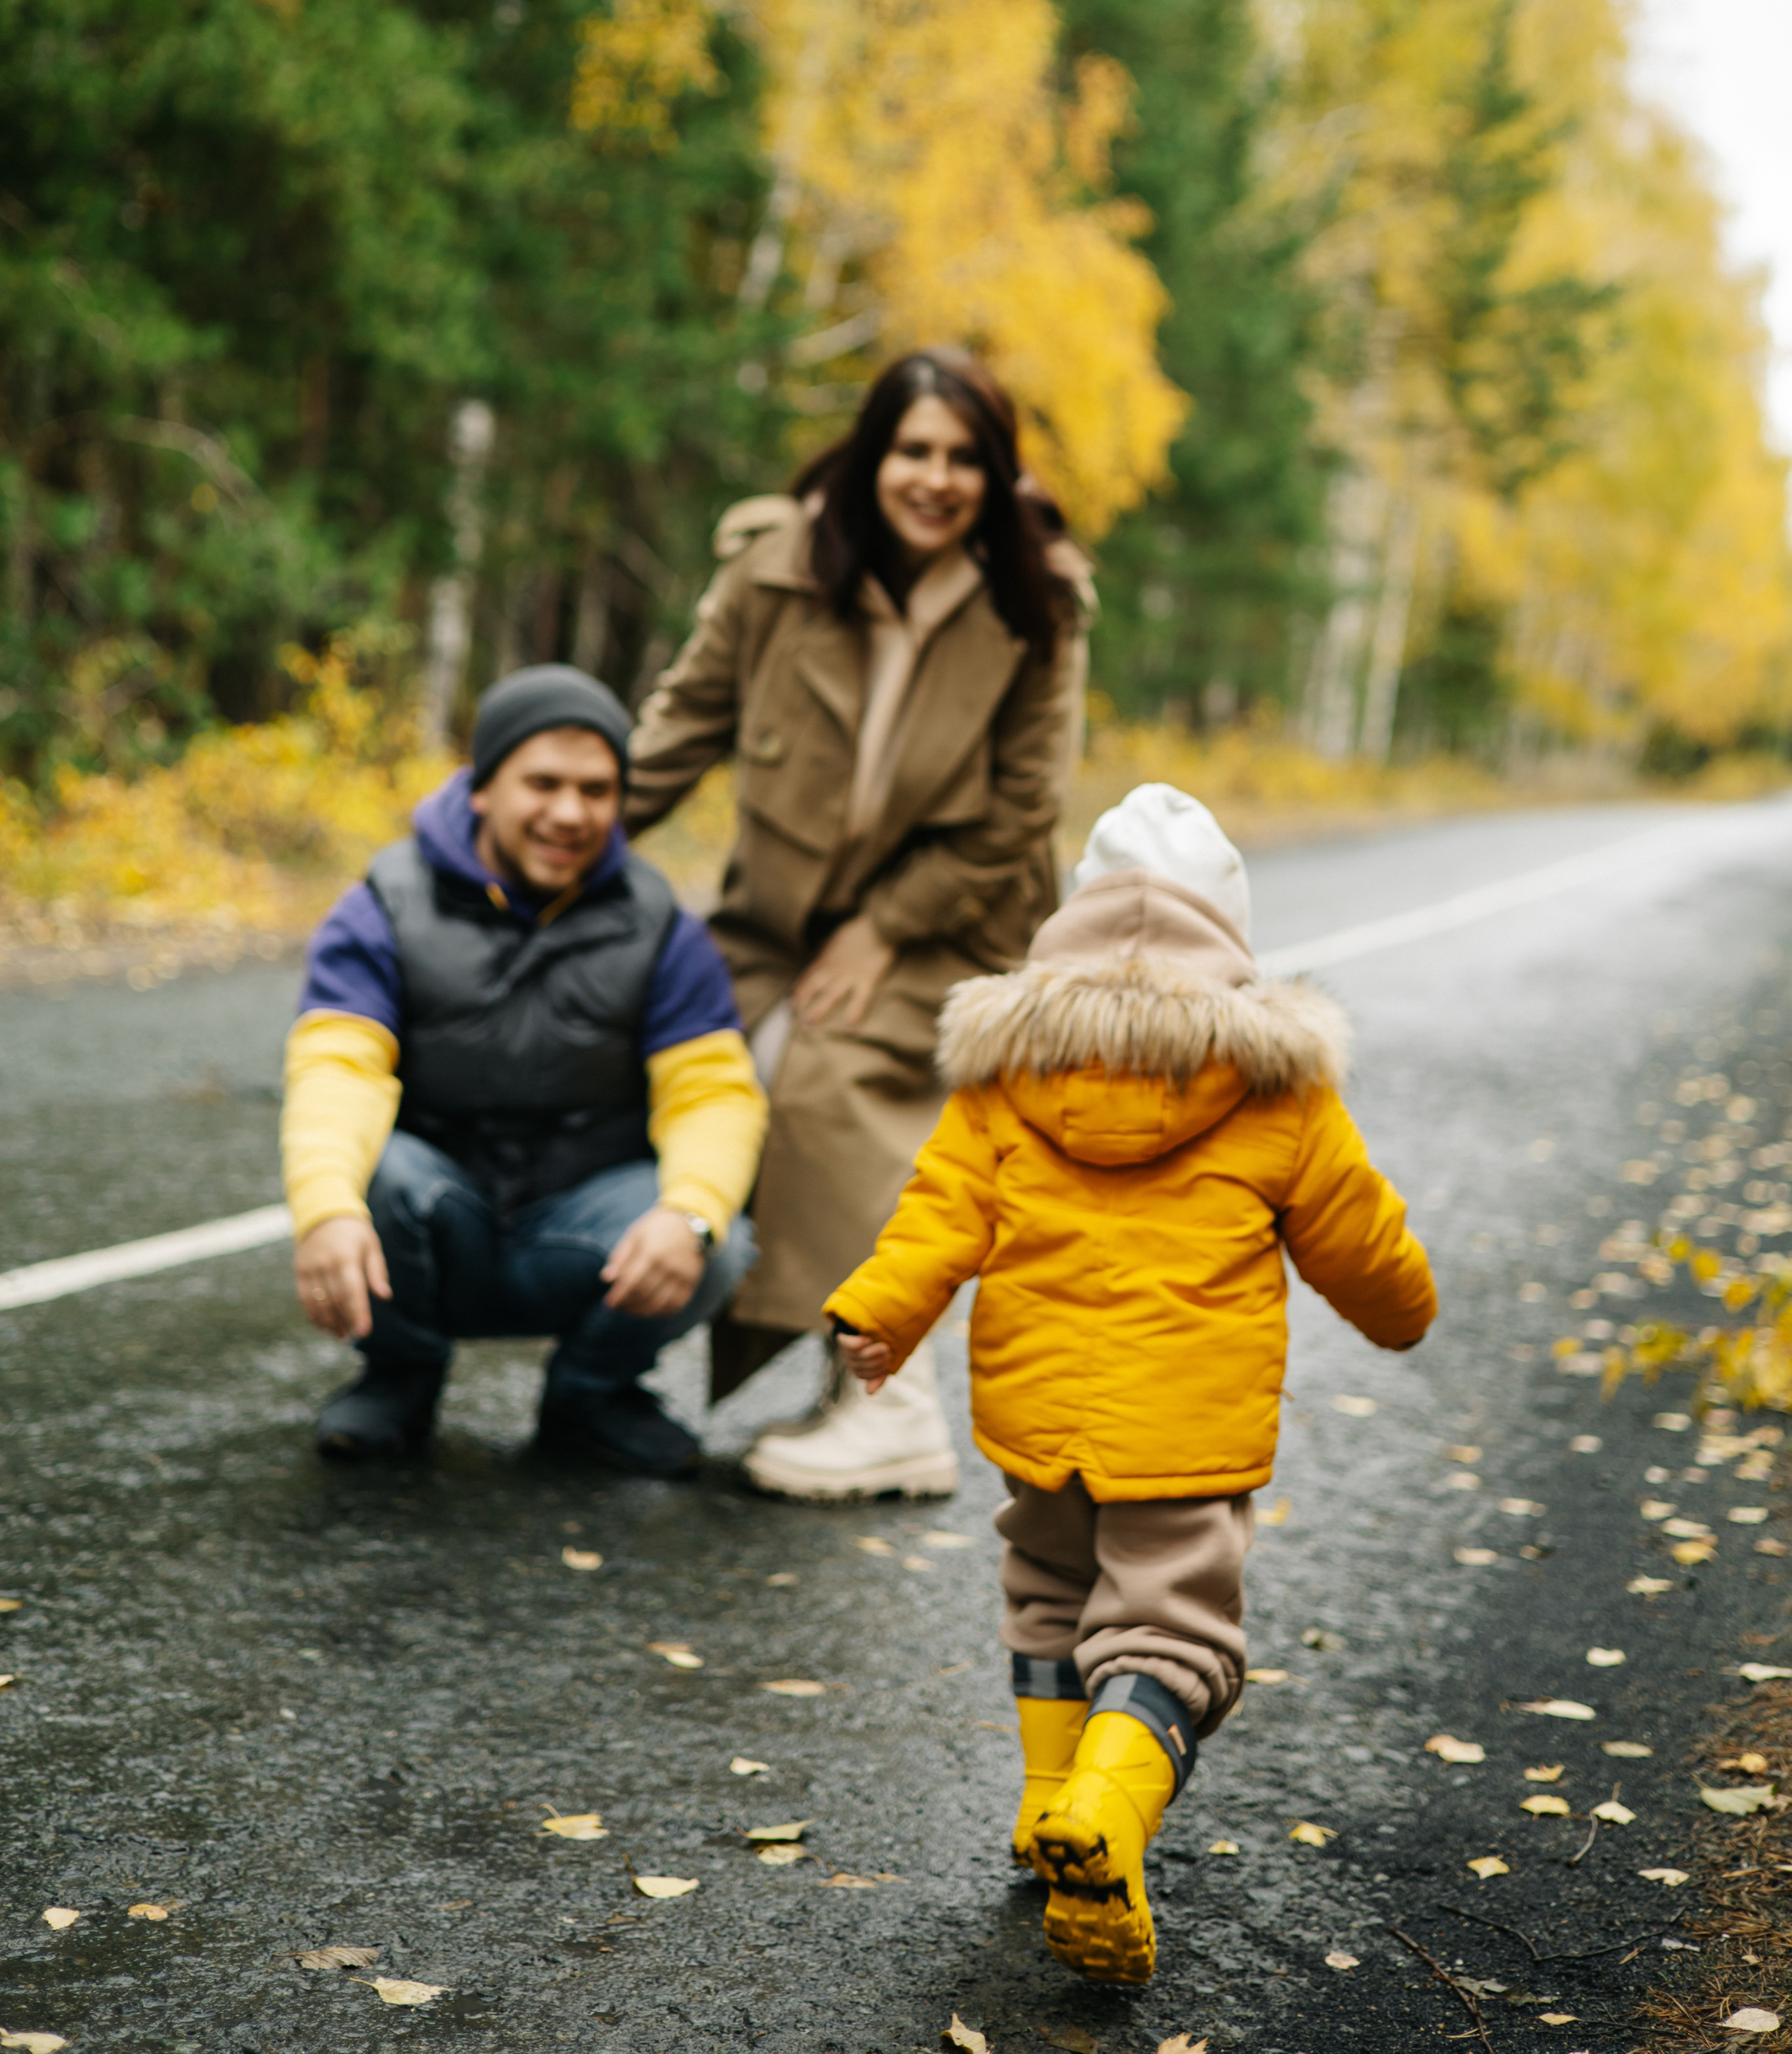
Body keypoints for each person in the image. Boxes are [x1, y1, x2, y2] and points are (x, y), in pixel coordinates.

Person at [825, 783, 1437, 1984]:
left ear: (1069, 927)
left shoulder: (1009, 1072)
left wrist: (877, 1314)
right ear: (1232, 941)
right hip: (1185, 1432)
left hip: (1035, 1415)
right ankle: (1102, 1812)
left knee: (1050, 1589)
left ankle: (1046, 1797)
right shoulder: (1279, 1087)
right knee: (1170, 1633)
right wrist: (1403, 1312)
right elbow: (1363, 1247)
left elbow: (938, 1210)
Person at [624, 349, 1091, 1501]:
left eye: (964, 460)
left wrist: (885, 928)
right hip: (778, 922)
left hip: (950, 924)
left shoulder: (1038, 602)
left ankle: (888, 1404)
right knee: (680, 1066)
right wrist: (519, 833)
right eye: (914, 452)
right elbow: (679, 729)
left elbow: (1023, 808)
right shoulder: (774, 574)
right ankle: (607, 1372)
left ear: (997, 475)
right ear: (870, 455)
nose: (936, 479)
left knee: (826, 1075)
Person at [281, 664, 768, 1474]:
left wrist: (688, 1215)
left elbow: (712, 1093)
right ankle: (400, 1378)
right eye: (542, 783)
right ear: (481, 787)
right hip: (437, 1222)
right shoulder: (383, 902)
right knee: (368, 1174)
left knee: (716, 1230)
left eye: (596, 789)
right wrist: (325, 1206)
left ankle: (590, 1397)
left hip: (581, 1234)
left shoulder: (661, 926)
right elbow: (338, 1065)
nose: (570, 813)